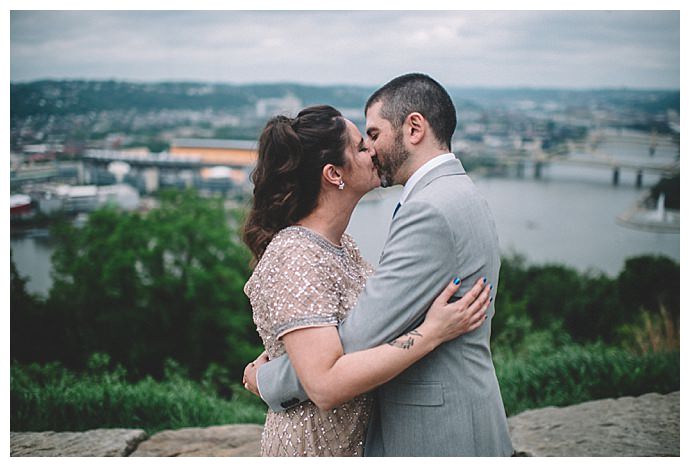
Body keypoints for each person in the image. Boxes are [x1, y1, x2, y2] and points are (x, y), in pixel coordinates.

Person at [245, 74, 514, 456]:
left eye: (372, 134)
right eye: (361, 144)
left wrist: (270, 377)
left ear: (414, 128)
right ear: (332, 174)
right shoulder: (455, 193)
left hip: (441, 431)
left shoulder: (428, 210)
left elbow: (354, 340)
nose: (371, 150)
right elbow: (340, 352)